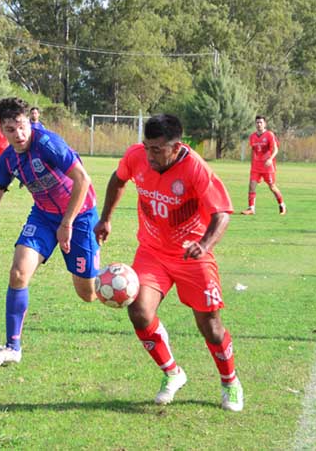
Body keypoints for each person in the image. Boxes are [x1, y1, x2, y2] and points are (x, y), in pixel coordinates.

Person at [94, 114, 244, 412]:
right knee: (139, 312)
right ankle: (172, 372)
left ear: (176, 147)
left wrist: (204, 245)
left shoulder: (195, 168)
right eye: (147, 147)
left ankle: (230, 381)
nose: (150, 155)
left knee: (210, 326)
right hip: (152, 252)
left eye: (157, 149)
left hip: (192, 256)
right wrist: (106, 218)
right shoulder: (137, 156)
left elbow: (222, 214)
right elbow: (118, 178)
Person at [0, 97, 100, 367]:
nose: (19, 135)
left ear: (30, 121)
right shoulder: (8, 160)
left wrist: (68, 222)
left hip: (80, 215)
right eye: (11, 130)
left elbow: (83, 180)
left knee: (88, 294)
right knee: (18, 273)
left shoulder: (47, 144)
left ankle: (112, 278)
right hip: (43, 216)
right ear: (1, 130)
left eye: (23, 126)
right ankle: (12, 347)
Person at [240, 115, 286, 215]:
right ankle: (251, 209)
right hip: (256, 167)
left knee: (272, 187)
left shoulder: (269, 135)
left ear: (265, 124)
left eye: (261, 122)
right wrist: (252, 163)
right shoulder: (252, 136)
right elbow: (254, 151)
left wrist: (270, 159)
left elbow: (275, 149)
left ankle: (282, 205)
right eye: (257, 122)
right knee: (251, 186)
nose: (259, 124)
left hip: (267, 167)